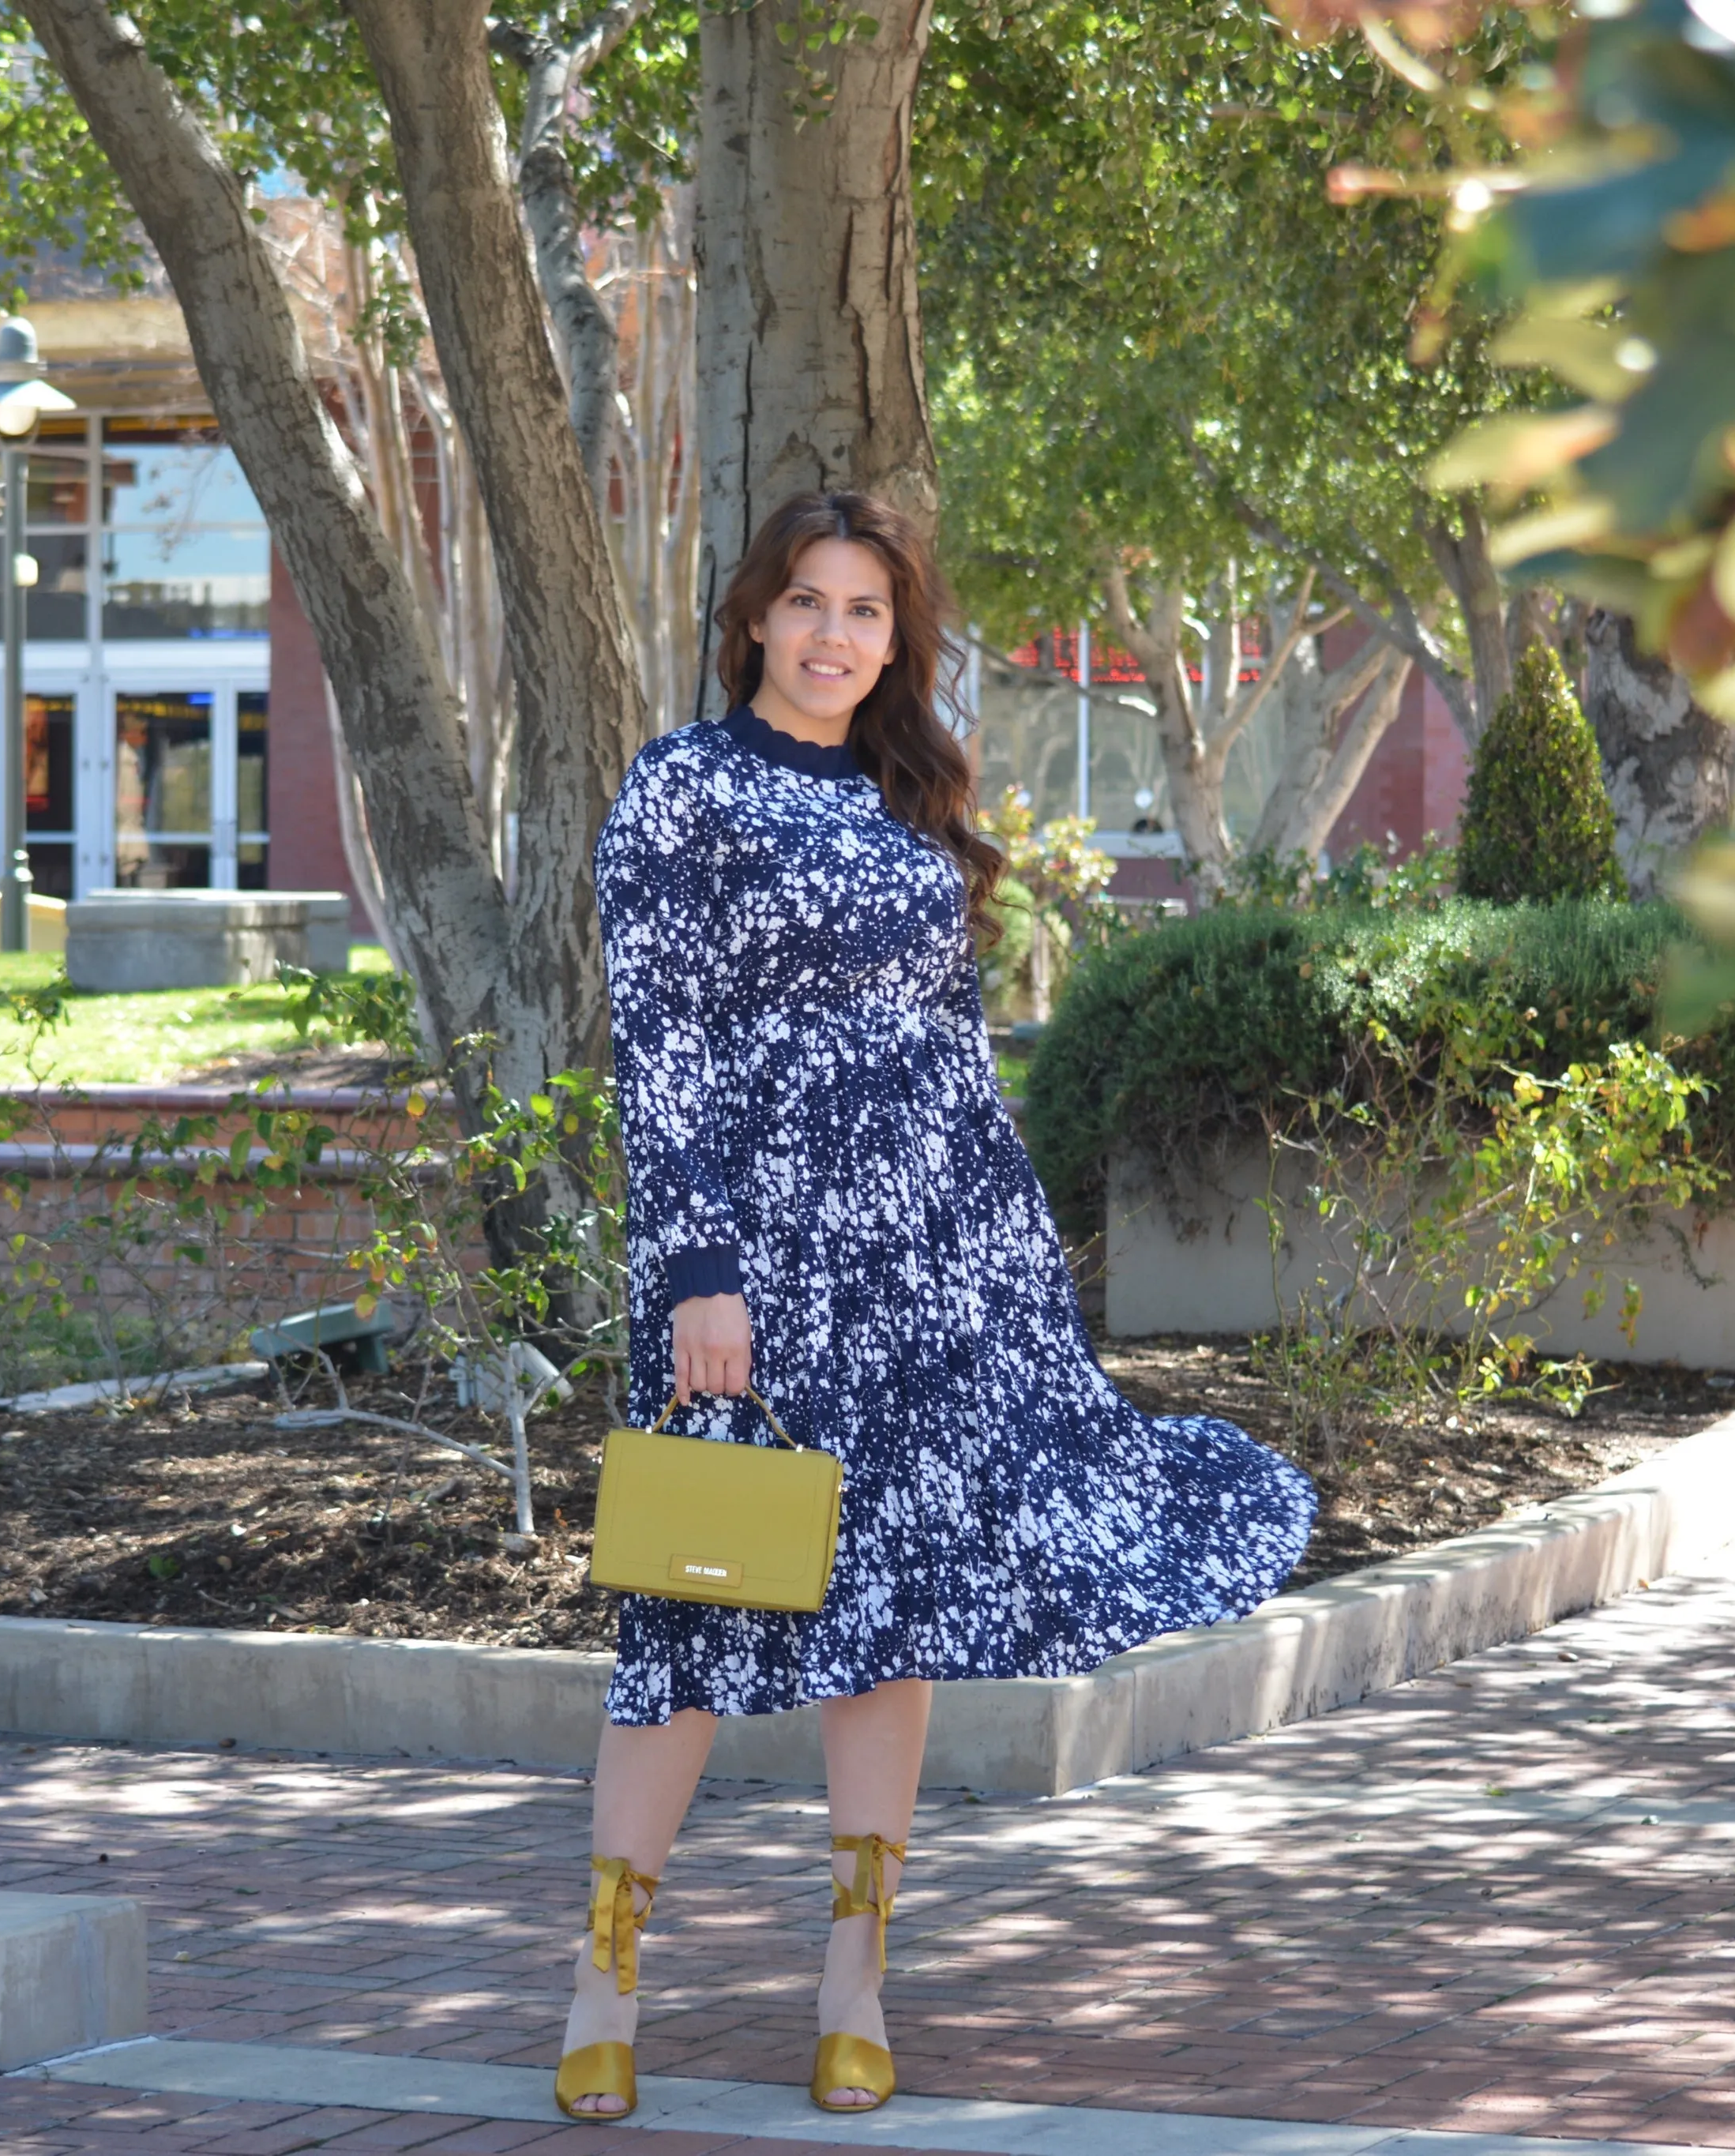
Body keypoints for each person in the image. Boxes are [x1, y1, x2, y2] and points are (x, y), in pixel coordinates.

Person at [560, 490, 1316, 2122]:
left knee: (888, 1613)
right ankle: (604, 1975)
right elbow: (659, 1046)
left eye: (867, 613)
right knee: (688, 1613)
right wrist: (696, 1270)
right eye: (808, 603)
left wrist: (1009, 1267)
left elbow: (948, 1054)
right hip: (749, 1269)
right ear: (754, 616)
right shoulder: (679, 790)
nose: (834, 636)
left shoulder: (913, 796)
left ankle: (853, 1981)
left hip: (927, 1259)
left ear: (897, 641)